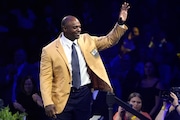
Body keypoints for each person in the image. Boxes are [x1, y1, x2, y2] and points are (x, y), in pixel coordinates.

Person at [39, 2, 130, 120]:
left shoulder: (87, 40)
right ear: (64, 29)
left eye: (79, 27)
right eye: (75, 27)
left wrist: (120, 23)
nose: (79, 30)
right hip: (62, 97)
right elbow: (45, 79)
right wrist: (47, 102)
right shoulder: (49, 50)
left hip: (84, 94)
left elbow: (109, 40)